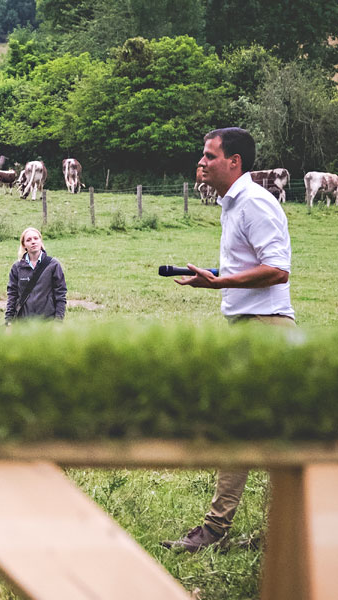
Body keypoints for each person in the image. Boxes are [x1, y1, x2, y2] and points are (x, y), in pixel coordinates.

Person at [162, 127, 295, 552]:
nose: (201, 162)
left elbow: (278, 269)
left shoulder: (255, 202)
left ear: (234, 161)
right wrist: (216, 276)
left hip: (265, 327)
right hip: (249, 325)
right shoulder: (232, 203)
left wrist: (221, 284)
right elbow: (250, 265)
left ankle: (218, 531)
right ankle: (268, 529)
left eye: (209, 155)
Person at [5, 227, 66, 323]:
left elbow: (60, 295)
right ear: (24, 245)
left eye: (36, 238)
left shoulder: (53, 265)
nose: (33, 242)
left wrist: (58, 321)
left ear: (41, 241)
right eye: (28, 240)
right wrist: (8, 322)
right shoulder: (17, 267)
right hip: (23, 322)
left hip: (47, 322)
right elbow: (12, 296)